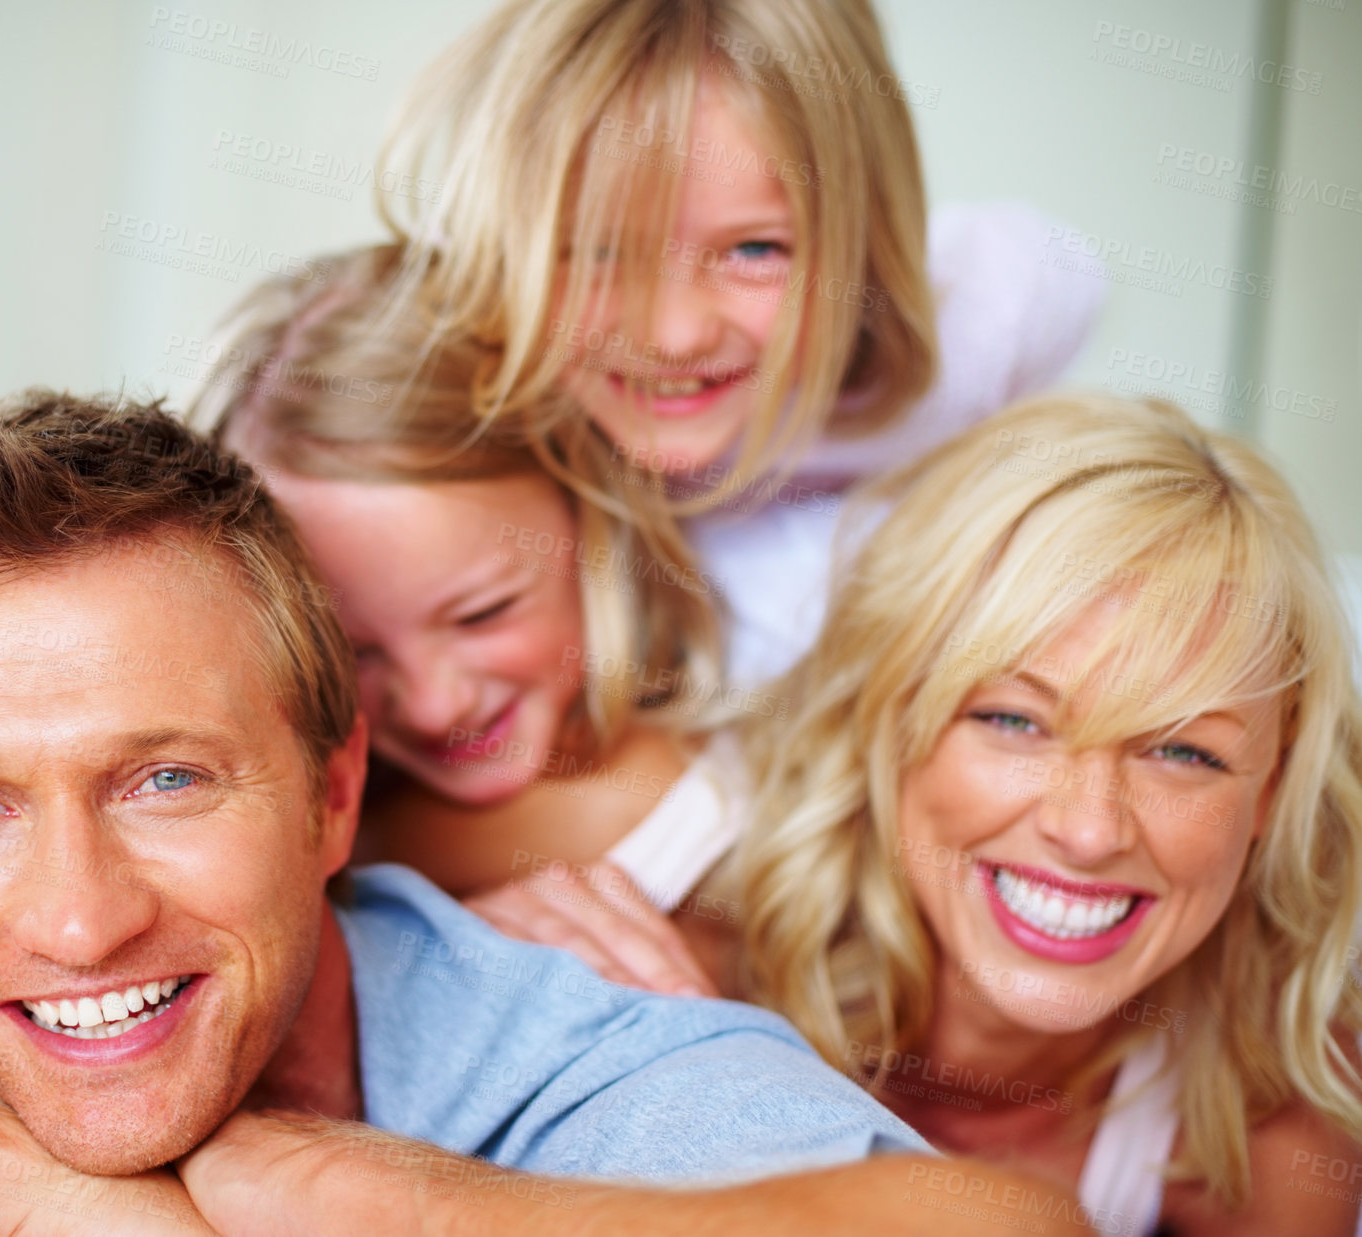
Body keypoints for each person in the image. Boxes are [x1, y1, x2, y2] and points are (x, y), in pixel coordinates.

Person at [0, 391, 1086, 1236]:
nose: (80, 919)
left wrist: (362, 1193)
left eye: (166, 780)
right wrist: (38, 1198)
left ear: (336, 794)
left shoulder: (572, 1066)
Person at [490, 394, 1362, 1234]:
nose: (1091, 830)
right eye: (1013, 720)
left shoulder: (1270, 1129)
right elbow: (350, 849)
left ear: (1269, 795)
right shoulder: (650, 827)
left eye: (1182, 752)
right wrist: (440, 945)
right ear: (889, 717)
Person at [378, 0, 1105, 684]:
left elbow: (1060, 275)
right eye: (598, 252)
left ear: (864, 246)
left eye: (755, 250)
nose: (673, 335)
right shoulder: (457, 360)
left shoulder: (988, 318)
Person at [193, 246, 746, 986]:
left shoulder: (663, 799)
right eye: (353, 652)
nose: (433, 703)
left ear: (593, 521)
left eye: (483, 614)